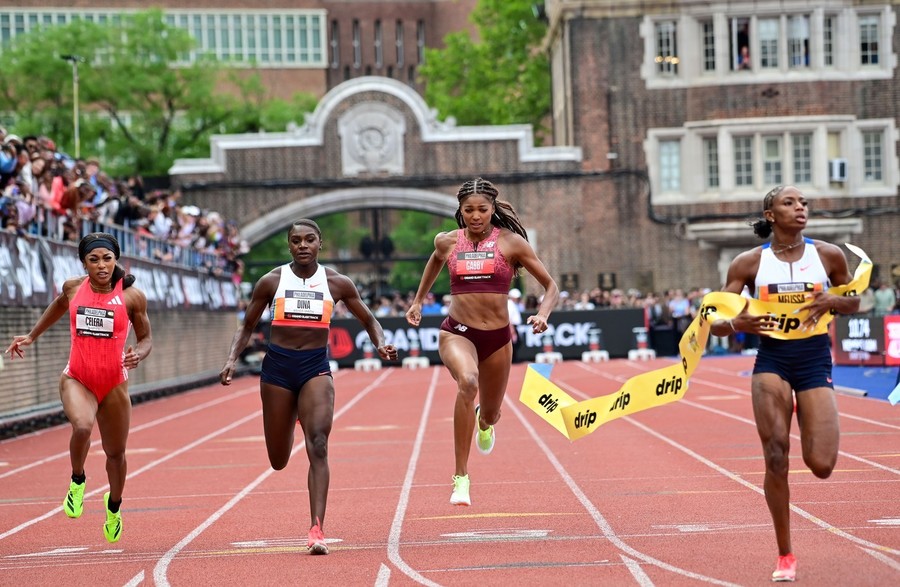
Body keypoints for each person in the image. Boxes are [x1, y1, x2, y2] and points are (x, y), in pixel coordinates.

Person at [219, 218, 398, 555]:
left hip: (315, 367)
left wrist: (379, 344)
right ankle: (293, 415)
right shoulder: (272, 281)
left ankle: (317, 529)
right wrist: (231, 358)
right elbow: (246, 325)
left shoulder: (337, 282)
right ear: (289, 245)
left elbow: (369, 319)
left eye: (309, 240)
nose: (303, 246)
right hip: (277, 370)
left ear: (320, 243)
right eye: (296, 240)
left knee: (318, 443)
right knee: (278, 460)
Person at [710, 185, 860, 582]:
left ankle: (805, 411)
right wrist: (736, 324)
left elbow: (853, 301)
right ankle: (785, 554)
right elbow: (716, 321)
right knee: (776, 455)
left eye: (804, 203)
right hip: (771, 360)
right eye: (790, 203)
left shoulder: (828, 255)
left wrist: (833, 302)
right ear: (771, 214)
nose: (800, 208)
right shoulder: (747, 264)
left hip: (813, 361)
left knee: (822, 465)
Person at [405, 178, 559, 506]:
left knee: (491, 413)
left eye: (482, 210)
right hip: (458, 332)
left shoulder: (511, 243)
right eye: (468, 210)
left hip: (498, 339)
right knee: (467, 381)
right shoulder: (447, 242)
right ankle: (461, 477)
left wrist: (543, 314)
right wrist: (418, 301)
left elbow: (551, 286)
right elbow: (433, 263)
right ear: (460, 211)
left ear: (492, 209)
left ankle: (483, 421)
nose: (476, 216)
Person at [5, 232, 152, 543]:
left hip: (114, 384)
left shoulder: (132, 297)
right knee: (82, 427)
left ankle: (113, 508)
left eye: (107, 259)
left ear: (116, 260)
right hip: (78, 378)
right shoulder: (73, 288)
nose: (101, 265)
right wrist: (31, 336)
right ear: (84, 263)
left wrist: (138, 352)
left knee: (116, 454)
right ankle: (78, 479)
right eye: (94, 259)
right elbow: (58, 307)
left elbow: (146, 337)